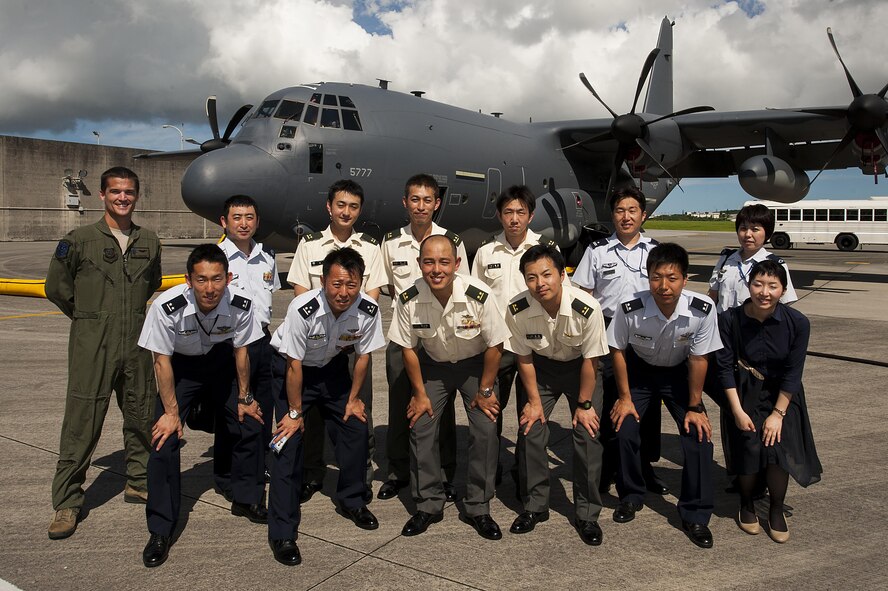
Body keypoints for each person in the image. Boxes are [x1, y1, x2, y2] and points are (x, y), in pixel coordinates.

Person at [45, 166, 162, 540]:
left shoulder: (150, 240)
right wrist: (90, 317)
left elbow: (152, 283)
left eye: (129, 192)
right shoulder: (79, 240)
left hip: (138, 343)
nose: (122, 198)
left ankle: (139, 480)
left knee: (142, 413)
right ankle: (67, 501)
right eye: (115, 192)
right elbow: (56, 287)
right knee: (82, 421)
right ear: (102, 195)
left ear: (136, 196)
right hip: (92, 344)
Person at [137, 244, 265, 567]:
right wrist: (170, 414)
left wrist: (245, 397)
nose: (210, 288)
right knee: (163, 439)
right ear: (188, 280)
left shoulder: (241, 304)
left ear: (229, 278)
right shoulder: (167, 307)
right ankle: (161, 528)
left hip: (222, 362)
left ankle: (246, 497)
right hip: (182, 368)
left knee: (248, 422)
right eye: (202, 280)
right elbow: (161, 361)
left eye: (217, 279)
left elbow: (241, 352)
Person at [268, 247, 386, 566]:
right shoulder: (302, 308)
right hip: (293, 372)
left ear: (361, 283)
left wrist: (353, 399)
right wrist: (294, 414)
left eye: (351, 285)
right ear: (323, 281)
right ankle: (281, 530)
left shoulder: (368, 309)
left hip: (332, 370)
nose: (343, 292)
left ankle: (352, 500)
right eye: (336, 284)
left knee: (356, 428)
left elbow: (363, 356)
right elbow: (293, 363)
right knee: (286, 445)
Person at [390, 235, 509, 539]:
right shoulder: (408, 297)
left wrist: (485, 390)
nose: (436, 269)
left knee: (485, 427)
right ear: (419, 264)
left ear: (457, 264)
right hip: (432, 366)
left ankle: (478, 506)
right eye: (429, 261)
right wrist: (418, 394)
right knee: (421, 425)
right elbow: (407, 348)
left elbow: (496, 344)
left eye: (444, 261)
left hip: (475, 365)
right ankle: (428, 504)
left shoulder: (477, 294)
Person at [607, 243, 722, 548]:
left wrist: (696, 406)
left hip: (678, 375)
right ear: (648, 278)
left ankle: (695, 514)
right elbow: (617, 349)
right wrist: (625, 397)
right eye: (657, 277)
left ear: (685, 279)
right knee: (625, 430)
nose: (664, 286)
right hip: (639, 372)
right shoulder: (629, 307)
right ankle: (631, 495)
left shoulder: (702, 310)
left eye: (672, 278)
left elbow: (699, 359)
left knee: (699, 438)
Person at [286, 180, 386, 501]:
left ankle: (360, 476)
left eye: (353, 207)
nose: (346, 212)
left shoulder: (370, 248)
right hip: (316, 344)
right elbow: (301, 292)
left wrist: (350, 332)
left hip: (353, 346)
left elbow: (372, 296)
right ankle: (312, 474)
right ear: (329, 207)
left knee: (359, 411)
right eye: (341, 205)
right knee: (312, 413)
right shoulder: (310, 246)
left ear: (359, 210)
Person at [505, 245, 610, 545]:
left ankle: (587, 514)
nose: (540, 284)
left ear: (562, 274)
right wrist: (534, 402)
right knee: (531, 430)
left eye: (547, 275)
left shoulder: (586, 307)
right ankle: (535, 506)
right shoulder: (517, 309)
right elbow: (523, 358)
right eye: (532, 277)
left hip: (581, 370)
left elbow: (592, 360)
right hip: (540, 370)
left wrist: (585, 404)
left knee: (587, 435)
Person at [571, 187, 669, 496]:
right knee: (605, 403)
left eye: (632, 210)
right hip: (606, 331)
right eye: (619, 211)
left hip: (644, 334)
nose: (625, 216)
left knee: (647, 406)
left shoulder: (656, 251)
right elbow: (582, 295)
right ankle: (606, 467)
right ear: (612, 215)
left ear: (643, 215)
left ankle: (644, 466)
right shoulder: (598, 251)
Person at [716, 260, 821, 543]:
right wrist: (736, 410)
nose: (764, 292)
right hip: (744, 393)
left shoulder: (797, 323)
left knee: (777, 450)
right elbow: (724, 368)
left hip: (782, 396)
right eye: (758, 284)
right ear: (749, 286)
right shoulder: (729, 320)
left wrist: (777, 414)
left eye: (773, 286)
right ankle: (747, 503)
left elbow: (793, 372)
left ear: (783, 290)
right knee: (749, 446)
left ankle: (776, 509)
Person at [378, 174, 466, 502]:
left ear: (437, 203)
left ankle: (444, 473)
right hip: (405, 337)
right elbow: (383, 284)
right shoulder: (390, 242)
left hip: (441, 339)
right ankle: (398, 471)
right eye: (415, 199)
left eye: (427, 200)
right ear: (405, 202)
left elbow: (464, 286)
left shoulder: (451, 241)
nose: (421, 206)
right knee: (401, 403)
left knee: (441, 409)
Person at [470, 185, 557, 480]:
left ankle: (525, 469)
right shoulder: (485, 252)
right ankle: (490, 466)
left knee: (530, 412)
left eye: (521, 212)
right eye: (508, 212)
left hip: (535, 346)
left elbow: (560, 292)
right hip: (498, 347)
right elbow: (475, 298)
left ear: (531, 215)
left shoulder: (546, 249)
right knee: (490, 410)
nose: (514, 218)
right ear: (499, 215)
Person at [216, 195, 280, 521]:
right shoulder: (217, 259)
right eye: (237, 217)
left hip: (261, 342)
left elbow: (268, 299)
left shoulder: (267, 256)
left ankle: (246, 473)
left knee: (262, 414)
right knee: (239, 420)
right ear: (224, 222)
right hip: (228, 346)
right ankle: (243, 490)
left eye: (250, 217)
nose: (244, 223)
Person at [708, 203, 797, 314]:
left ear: (767, 233)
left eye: (755, 229)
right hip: (723, 326)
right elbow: (713, 294)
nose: (747, 234)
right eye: (743, 228)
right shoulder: (726, 260)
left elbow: (784, 302)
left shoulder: (776, 264)